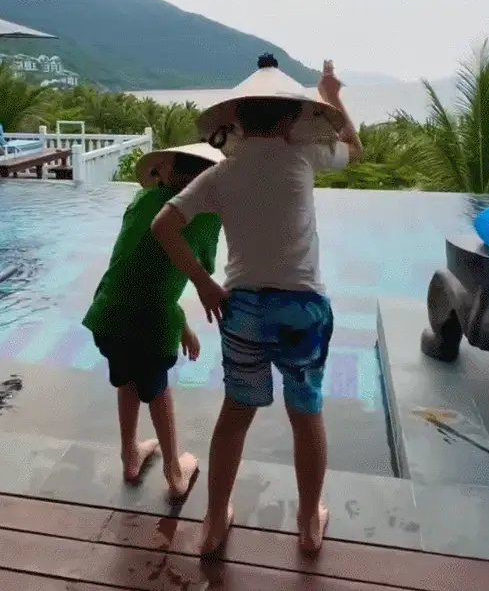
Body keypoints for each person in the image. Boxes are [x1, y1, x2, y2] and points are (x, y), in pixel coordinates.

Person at [151, 59, 363, 552]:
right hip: (303, 309)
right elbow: (355, 149)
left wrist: (204, 284)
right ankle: (308, 523)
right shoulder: (306, 155)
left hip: (243, 310)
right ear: (293, 120)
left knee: (236, 414)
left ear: (237, 123)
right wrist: (332, 95)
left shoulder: (222, 174)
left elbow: (164, 226)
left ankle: (213, 523)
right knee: (306, 413)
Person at [82, 143, 223, 499]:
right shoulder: (205, 216)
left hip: (107, 313)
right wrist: (180, 323)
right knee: (158, 391)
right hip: (149, 324)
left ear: (167, 172)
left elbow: (139, 271)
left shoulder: (141, 201)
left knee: (127, 380)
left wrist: (182, 325)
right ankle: (175, 473)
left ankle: (130, 455)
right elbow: (201, 266)